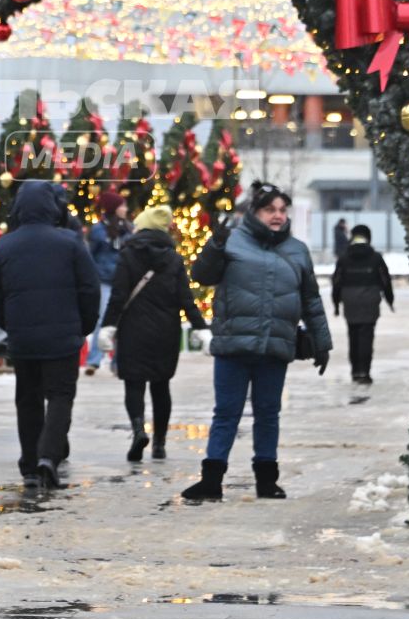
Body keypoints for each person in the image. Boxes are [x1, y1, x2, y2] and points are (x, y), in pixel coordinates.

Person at [180, 181, 332, 503]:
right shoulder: (233, 242)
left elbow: (312, 301)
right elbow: (202, 276)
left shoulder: (297, 250)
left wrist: (322, 342)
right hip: (234, 346)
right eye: (269, 210)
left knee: (268, 414)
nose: (277, 216)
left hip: (274, 347)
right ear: (255, 212)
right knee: (226, 414)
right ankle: (211, 481)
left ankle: (267, 481)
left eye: (281, 210)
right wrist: (214, 245)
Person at [0, 182, 102, 488]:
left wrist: (9, 324)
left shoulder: (5, 246)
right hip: (63, 337)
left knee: (28, 399)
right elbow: (90, 288)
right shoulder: (71, 242)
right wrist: (83, 326)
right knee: (60, 397)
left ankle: (30, 466)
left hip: (23, 339)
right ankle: (49, 457)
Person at [99, 204, 205, 462]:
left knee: (134, 384)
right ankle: (159, 444)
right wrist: (201, 328)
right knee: (161, 386)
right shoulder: (173, 258)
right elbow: (185, 298)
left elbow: (119, 295)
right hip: (165, 331)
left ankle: (138, 431)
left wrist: (108, 326)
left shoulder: (128, 254)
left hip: (133, 330)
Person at [331, 223, 394, 385]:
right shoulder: (375, 257)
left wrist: (336, 303)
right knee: (367, 336)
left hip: (350, 300)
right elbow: (385, 280)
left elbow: (336, 281)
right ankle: (364, 372)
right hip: (370, 300)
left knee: (353, 335)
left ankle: (355, 371)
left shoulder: (344, 257)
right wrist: (389, 299)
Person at [83, 190, 131, 376]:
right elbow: (90, 255)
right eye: (122, 205)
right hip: (104, 280)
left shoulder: (128, 228)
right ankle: (93, 360)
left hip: (123, 281)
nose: (125, 209)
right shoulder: (98, 230)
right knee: (103, 319)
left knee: (123, 321)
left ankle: (118, 363)